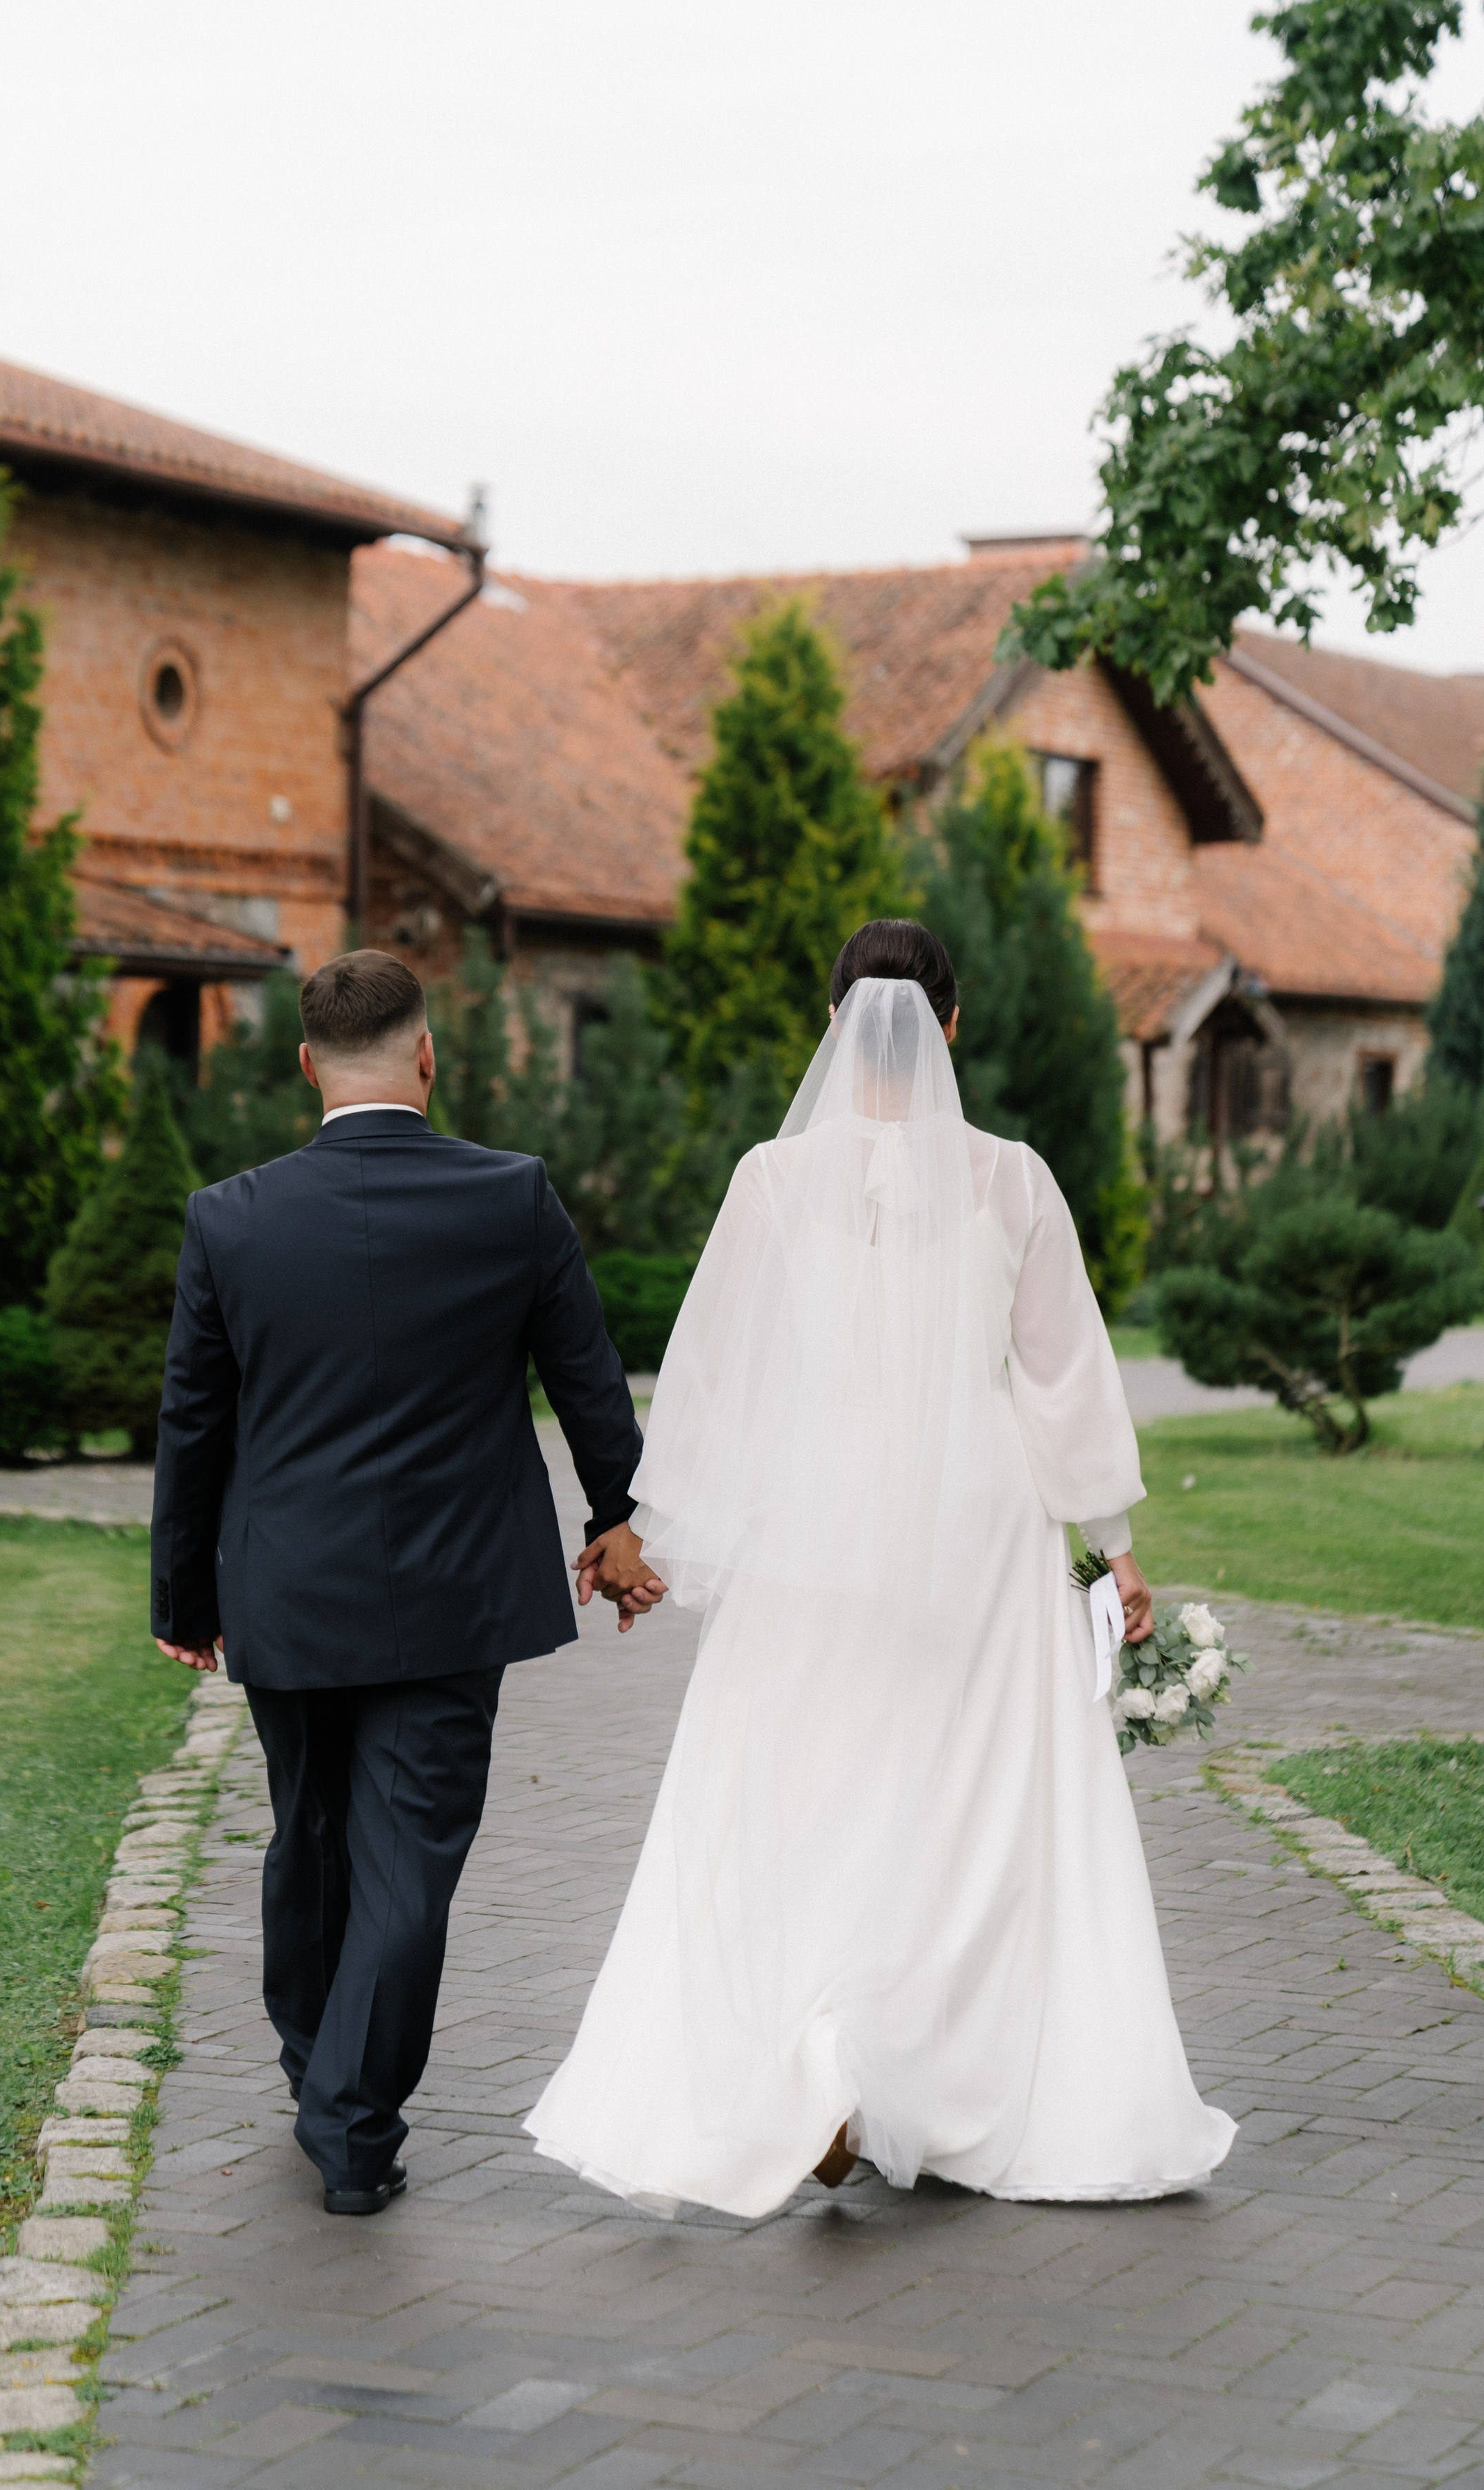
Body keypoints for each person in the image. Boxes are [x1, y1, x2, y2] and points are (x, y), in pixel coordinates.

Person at [528, 921, 1236, 2216]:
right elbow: (1065, 1379)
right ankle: (935, 2079)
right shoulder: (1014, 1181)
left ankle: (828, 2063)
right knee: (969, 1802)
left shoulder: (770, 1181)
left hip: (814, 1526)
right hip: (978, 1528)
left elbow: (717, 1382)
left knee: (806, 1784)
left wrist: (654, 1540)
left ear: (837, 1026)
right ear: (951, 1028)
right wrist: (1119, 1552)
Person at [150, 949, 662, 2216]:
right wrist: (621, 1520)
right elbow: (589, 1380)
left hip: (286, 1593)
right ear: (428, 1056)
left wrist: (182, 1602)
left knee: (310, 1837)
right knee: (407, 1862)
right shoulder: (513, 1197)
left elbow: (192, 1425)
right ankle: (354, 2119)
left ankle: (320, 2076)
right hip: (454, 1594)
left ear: (308, 1067)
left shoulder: (233, 1216)